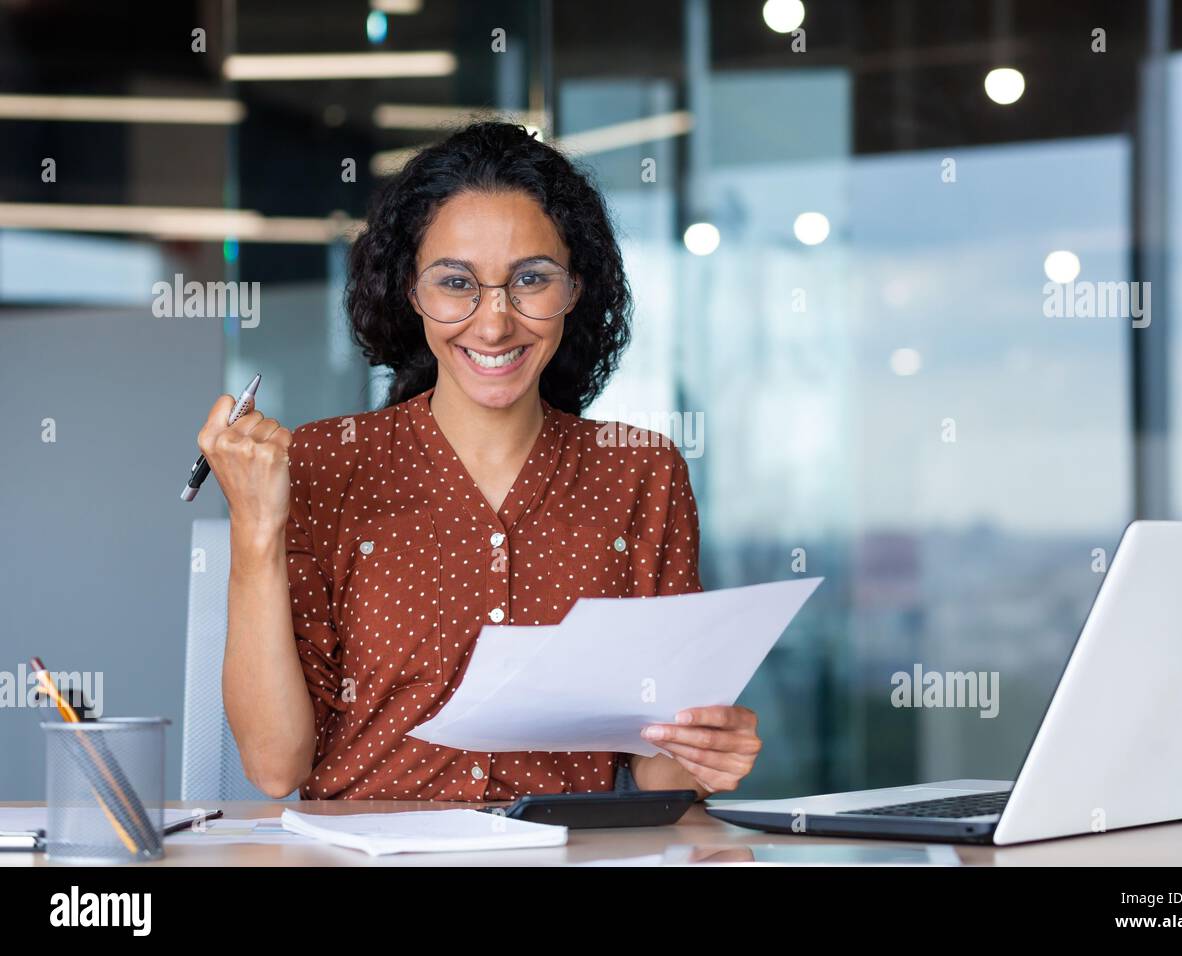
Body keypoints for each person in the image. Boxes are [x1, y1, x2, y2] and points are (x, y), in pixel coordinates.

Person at [200, 122, 762, 801]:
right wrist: (255, 527)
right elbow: (274, 766)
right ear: (411, 291)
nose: (494, 322)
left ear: (576, 289)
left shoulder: (640, 472)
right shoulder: (323, 463)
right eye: (456, 282)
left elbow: (657, 768)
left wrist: (706, 754)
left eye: (531, 279)